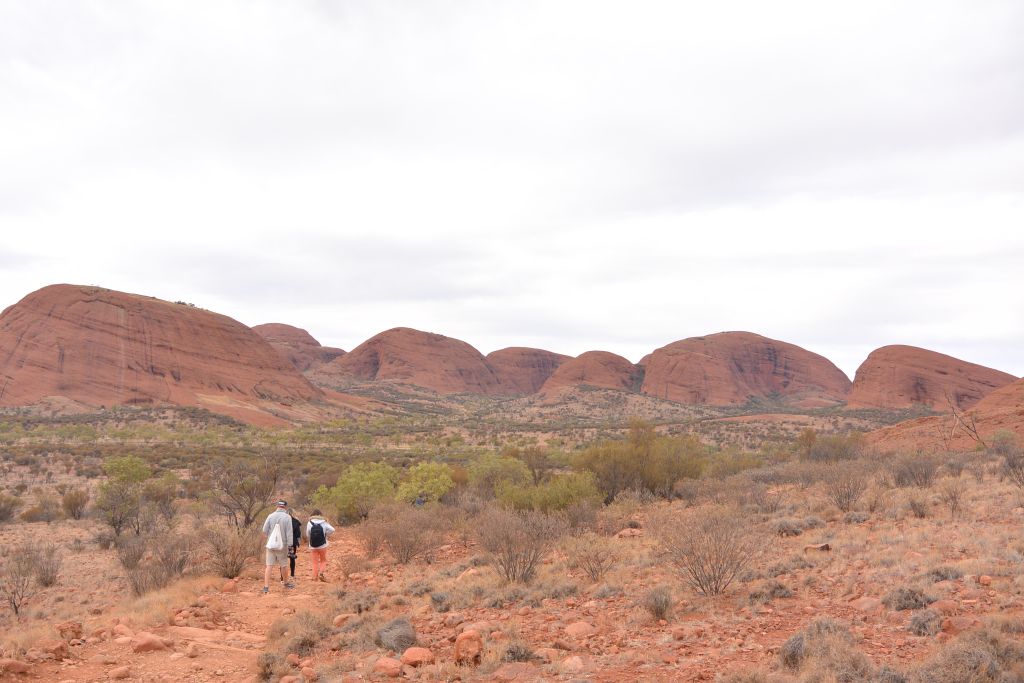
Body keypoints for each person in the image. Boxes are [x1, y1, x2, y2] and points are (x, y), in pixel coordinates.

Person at [261, 499, 295, 594]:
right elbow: (289, 533)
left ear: (277, 506)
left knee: (269, 566)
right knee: (283, 565)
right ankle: (286, 583)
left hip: (271, 545)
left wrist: (270, 538)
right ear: (285, 507)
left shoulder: (270, 516)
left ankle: (266, 587)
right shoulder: (287, 517)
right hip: (282, 546)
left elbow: (264, 530)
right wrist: (290, 546)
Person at [306, 509, 335, 583]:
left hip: (312, 546)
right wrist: (325, 535)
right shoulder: (324, 522)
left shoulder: (309, 523)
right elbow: (332, 529)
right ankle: (321, 573)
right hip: (323, 545)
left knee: (315, 562)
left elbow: (307, 534)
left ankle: (314, 578)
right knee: (323, 560)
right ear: (320, 515)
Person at [288, 508, 302, 581]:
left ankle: (282, 577)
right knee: (292, 558)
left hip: (284, 543)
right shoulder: (296, 521)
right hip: (292, 542)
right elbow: (298, 534)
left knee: (283, 559)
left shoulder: (283, 521)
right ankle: (292, 575)